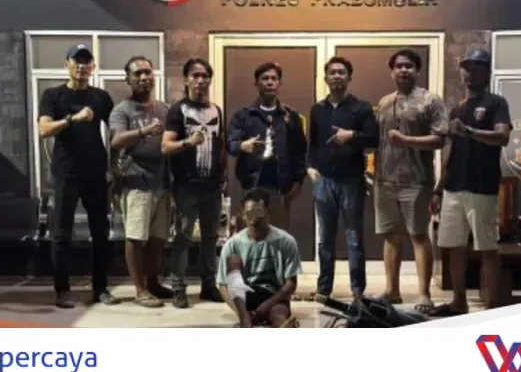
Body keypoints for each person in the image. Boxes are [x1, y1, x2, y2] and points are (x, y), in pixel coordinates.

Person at [431, 49, 511, 316]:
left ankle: (493, 308)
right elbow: (450, 150)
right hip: (453, 187)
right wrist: (438, 189)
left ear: (487, 71)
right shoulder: (457, 108)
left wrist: (471, 131)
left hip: (482, 187)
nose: (469, 72)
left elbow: (502, 137)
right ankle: (458, 302)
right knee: (453, 246)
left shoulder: (496, 103)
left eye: (476, 67)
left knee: (487, 247)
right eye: (466, 67)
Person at [37, 44, 116, 309]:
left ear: (93, 67)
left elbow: (115, 133)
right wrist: (72, 119)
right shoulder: (53, 95)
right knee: (61, 233)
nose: (82, 66)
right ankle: (62, 291)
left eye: (87, 62)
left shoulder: (101, 97)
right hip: (66, 173)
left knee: (100, 233)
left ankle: (101, 289)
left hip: (95, 173)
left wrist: (114, 166)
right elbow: (44, 129)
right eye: (77, 61)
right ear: (67, 64)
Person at [373, 49, 448, 314]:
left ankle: (424, 294)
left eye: (408, 66)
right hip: (384, 181)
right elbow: (377, 141)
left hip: (417, 181)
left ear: (417, 70)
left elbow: (440, 139)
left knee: (418, 236)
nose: (403, 70)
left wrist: (407, 141)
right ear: (391, 71)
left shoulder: (431, 101)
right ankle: (392, 290)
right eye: (398, 66)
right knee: (391, 237)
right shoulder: (384, 102)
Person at [306, 56, 378, 300]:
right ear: (325, 78)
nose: (337, 76)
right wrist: (309, 167)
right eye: (332, 72)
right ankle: (324, 288)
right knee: (325, 239)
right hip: (323, 180)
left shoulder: (362, 108)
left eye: (341, 72)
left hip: (352, 181)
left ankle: (357, 290)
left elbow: (373, 139)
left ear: (349, 78)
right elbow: (313, 143)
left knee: (354, 238)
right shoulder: (317, 109)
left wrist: (352, 136)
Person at [109, 56, 173, 308]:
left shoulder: (164, 108)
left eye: (147, 72)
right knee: (136, 237)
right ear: (128, 79)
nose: (144, 77)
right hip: (136, 181)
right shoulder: (122, 110)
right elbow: (116, 141)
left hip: (162, 182)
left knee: (158, 238)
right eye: (137, 74)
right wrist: (144, 131)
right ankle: (140, 289)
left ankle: (153, 283)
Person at [161, 58, 226, 308]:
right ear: (186, 80)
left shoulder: (217, 111)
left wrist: (223, 176)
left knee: (211, 237)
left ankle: (209, 285)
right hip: (186, 185)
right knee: (183, 236)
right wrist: (187, 142)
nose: (200, 81)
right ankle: (178, 287)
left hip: (211, 185)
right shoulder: (178, 111)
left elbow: (220, 146)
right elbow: (165, 146)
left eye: (204, 76)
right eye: (195, 76)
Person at [226, 62, 307, 230]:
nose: (270, 82)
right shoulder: (244, 116)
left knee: (278, 234)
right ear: (256, 84)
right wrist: (242, 145)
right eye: (265, 79)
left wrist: (298, 181)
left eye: (274, 79)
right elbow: (230, 144)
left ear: (279, 83)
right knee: (254, 231)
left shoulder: (290, 116)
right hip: (253, 189)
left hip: (280, 189)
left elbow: (300, 150)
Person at [217, 188, 301, 328]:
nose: (254, 218)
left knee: (278, 315)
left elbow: (291, 283)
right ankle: (246, 320)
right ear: (243, 215)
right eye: (250, 213)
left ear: (268, 212)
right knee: (233, 261)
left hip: (275, 296)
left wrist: (266, 306)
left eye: (258, 212)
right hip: (245, 296)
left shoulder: (286, 242)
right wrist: (241, 312)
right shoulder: (232, 245)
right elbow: (223, 285)